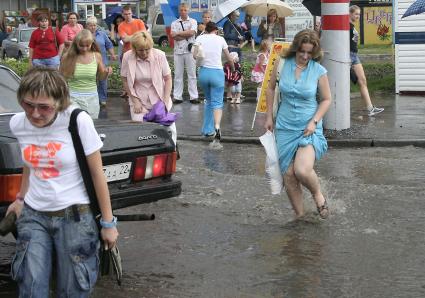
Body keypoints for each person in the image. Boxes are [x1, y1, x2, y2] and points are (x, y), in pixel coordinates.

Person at [6, 67, 118, 297]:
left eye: (44, 107)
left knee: (72, 289)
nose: (35, 114)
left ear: (59, 102)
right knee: (30, 286)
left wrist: (108, 223)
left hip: (75, 218)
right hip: (33, 215)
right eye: (28, 105)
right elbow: (31, 161)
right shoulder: (18, 123)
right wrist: (20, 198)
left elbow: (98, 175)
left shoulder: (77, 121)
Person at [264, 29, 332, 219]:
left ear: (314, 52)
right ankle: (300, 217)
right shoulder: (282, 63)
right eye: (302, 51)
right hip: (285, 126)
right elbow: (270, 89)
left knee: (301, 170)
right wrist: (269, 117)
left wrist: (314, 121)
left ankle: (317, 194)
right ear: (295, 48)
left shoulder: (319, 70)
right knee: (288, 174)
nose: (304, 56)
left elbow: (326, 99)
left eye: (309, 52)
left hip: (308, 127)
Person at [120, 31, 177, 145]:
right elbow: (125, 80)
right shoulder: (127, 56)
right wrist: (135, 101)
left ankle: (173, 150)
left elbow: (168, 79)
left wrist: (165, 101)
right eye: (141, 50)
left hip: (159, 98)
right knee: (140, 132)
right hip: (139, 100)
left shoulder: (159, 55)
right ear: (134, 48)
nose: (144, 53)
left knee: (170, 128)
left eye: (147, 49)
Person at [193, 21, 235, 141]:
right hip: (217, 73)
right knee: (217, 103)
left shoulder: (200, 38)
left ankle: (207, 130)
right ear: (216, 30)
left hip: (204, 73)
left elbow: (194, 56)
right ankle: (217, 127)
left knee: (209, 101)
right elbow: (228, 57)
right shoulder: (220, 40)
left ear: (206, 29)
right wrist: (232, 68)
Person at [60, 29, 112, 119]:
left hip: (92, 98)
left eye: (87, 46)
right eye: (81, 46)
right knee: (74, 125)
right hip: (73, 97)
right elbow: (61, 79)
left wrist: (106, 72)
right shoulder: (67, 57)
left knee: (91, 124)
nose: (84, 48)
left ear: (92, 43)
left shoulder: (97, 56)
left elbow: (101, 77)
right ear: (76, 43)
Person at [350, 5, 384, 116]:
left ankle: (370, 109)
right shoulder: (345, 26)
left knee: (363, 81)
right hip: (348, 56)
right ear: (350, 13)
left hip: (355, 55)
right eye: (356, 14)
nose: (358, 16)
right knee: (345, 84)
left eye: (359, 14)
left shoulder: (352, 25)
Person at [171, 3, 199, 104]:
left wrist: (178, 33)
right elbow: (174, 37)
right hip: (178, 51)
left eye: (185, 10)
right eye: (181, 10)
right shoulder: (174, 23)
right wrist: (184, 34)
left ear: (188, 11)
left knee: (192, 74)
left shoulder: (193, 21)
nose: (183, 12)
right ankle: (177, 96)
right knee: (178, 75)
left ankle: (194, 96)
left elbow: (192, 33)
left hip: (190, 51)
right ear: (179, 11)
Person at [86, 16, 117, 107]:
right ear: (87, 26)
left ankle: (102, 99)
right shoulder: (84, 35)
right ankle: (91, 99)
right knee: (90, 81)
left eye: (94, 25)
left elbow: (109, 44)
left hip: (102, 61)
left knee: (103, 81)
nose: (93, 27)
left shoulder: (102, 34)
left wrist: (112, 54)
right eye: (91, 25)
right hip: (88, 62)